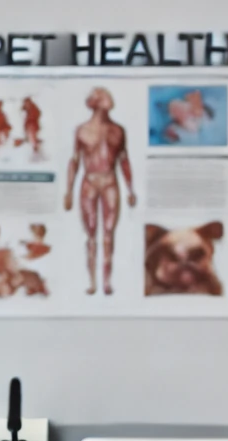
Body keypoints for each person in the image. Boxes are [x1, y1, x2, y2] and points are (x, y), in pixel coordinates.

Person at [63, 87, 136, 296]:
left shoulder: (118, 131)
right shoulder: (82, 130)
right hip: (90, 181)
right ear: (95, 102)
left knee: (108, 234)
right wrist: (68, 190)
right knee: (92, 234)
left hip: (110, 181)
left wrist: (130, 188)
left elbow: (124, 160)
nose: (108, 100)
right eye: (103, 97)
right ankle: (93, 282)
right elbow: (75, 160)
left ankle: (106, 282)